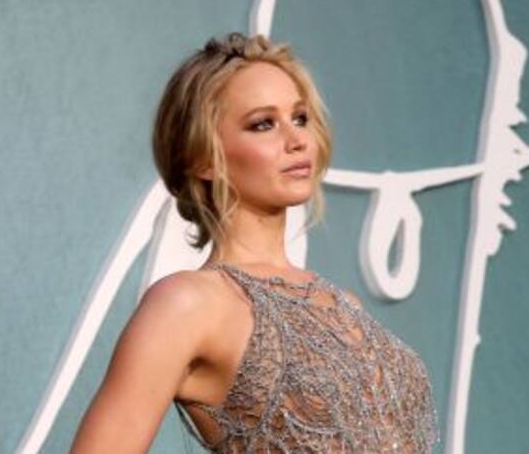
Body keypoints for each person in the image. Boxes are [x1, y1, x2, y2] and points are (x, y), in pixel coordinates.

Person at [71, 33, 440, 452]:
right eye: (263, 124)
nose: (297, 140)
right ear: (202, 157)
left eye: (300, 118)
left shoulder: (343, 304)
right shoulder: (189, 304)